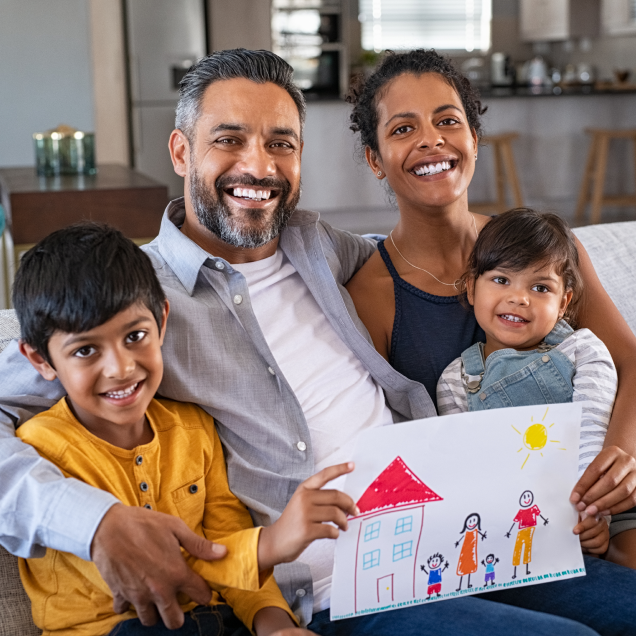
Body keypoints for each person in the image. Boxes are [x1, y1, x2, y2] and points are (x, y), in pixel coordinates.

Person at [0, 49, 626, 636]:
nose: (258, 166)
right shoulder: (130, 302)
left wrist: (517, 261)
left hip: (461, 536)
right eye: (229, 140)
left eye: (281, 144)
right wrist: (97, 524)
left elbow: (436, 255)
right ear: (181, 152)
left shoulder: (320, 245)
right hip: (341, 588)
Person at [345, 48, 636, 572]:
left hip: (605, 497)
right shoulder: (371, 295)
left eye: (448, 120)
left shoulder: (548, 249)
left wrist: (617, 462)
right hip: (489, 532)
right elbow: (384, 449)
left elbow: (631, 361)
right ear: (374, 159)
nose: (431, 139)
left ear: (473, 139)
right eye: (403, 128)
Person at [12, 222, 361, 636]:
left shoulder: (192, 428)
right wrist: (270, 545)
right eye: (86, 351)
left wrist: (274, 624)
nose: (121, 368)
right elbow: (147, 570)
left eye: (135, 336)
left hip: (216, 622)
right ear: (41, 361)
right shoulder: (43, 448)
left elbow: (228, 531)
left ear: (162, 321)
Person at [436, 208, 616, 556]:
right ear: (472, 288)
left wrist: (593, 516)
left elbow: (591, 444)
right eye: (502, 280)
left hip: (587, 511)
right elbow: (465, 471)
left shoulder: (583, 351)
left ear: (564, 303)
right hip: (509, 527)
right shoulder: (456, 380)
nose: (519, 298)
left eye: (540, 287)